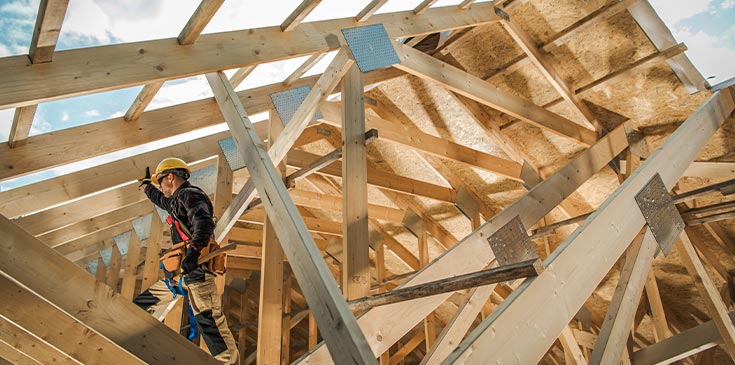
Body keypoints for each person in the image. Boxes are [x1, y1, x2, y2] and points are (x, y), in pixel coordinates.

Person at [133, 157, 239, 364]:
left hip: (197, 275)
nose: (161, 187)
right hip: (181, 276)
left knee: (209, 322)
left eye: (161, 181)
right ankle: (127, 320)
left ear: (170, 177)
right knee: (142, 303)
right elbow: (160, 199)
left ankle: (229, 361)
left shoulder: (191, 195)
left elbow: (203, 224)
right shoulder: (177, 200)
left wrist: (192, 254)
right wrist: (147, 186)